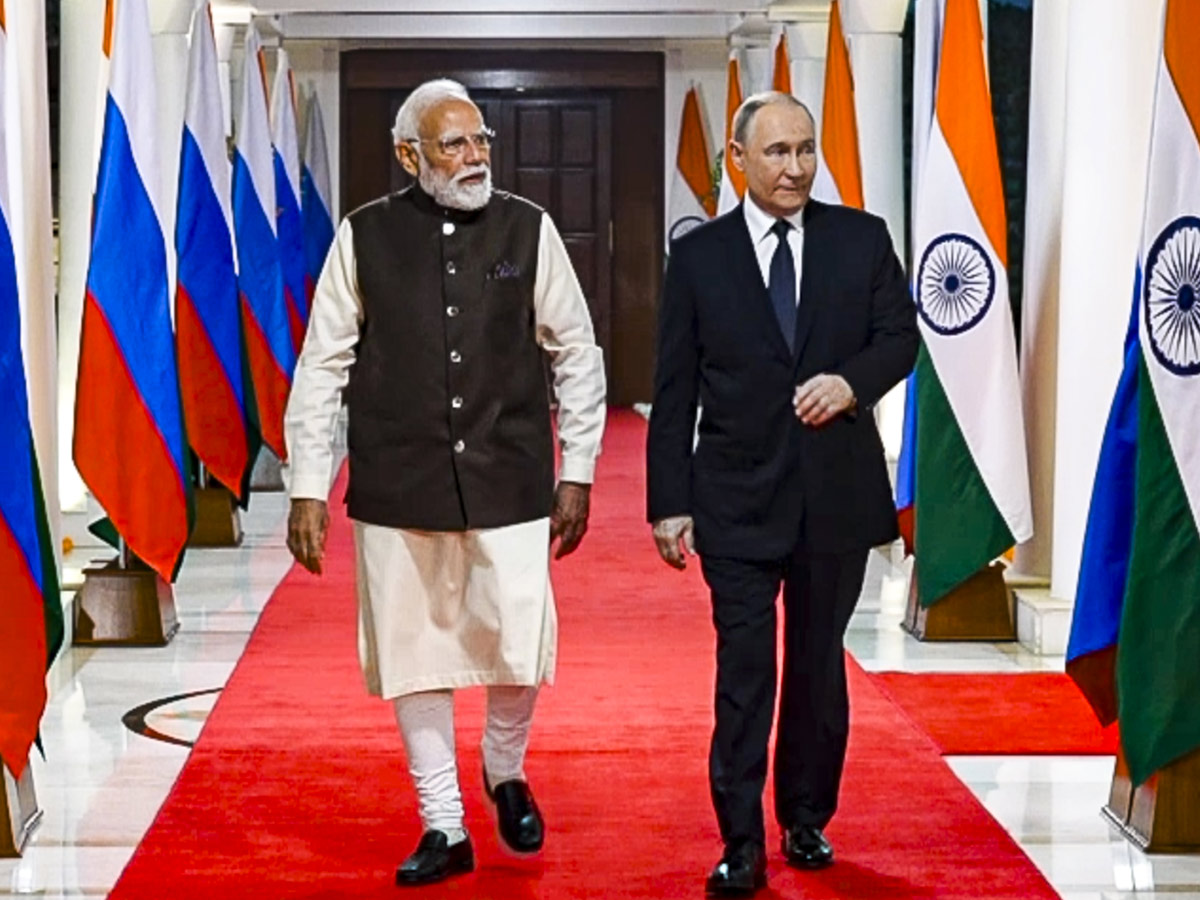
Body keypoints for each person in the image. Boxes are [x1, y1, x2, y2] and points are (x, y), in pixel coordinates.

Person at [284, 78, 606, 887]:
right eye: (454, 144)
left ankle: (505, 771)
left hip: (513, 474)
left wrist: (581, 470)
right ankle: (443, 822)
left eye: (481, 141)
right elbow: (322, 364)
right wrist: (308, 486)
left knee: (515, 643)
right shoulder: (363, 237)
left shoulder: (528, 229)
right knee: (414, 654)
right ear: (408, 155)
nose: (474, 157)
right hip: (400, 480)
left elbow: (577, 350)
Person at [646, 91, 917, 896]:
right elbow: (675, 385)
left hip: (835, 497)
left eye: (805, 150)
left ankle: (805, 818)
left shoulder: (860, 240)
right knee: (745, 672)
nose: (795, 167)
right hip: (734, 499)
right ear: (738, 161)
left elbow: (899, 336)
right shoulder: (700, 258)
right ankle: (740, 840)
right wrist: (669, 501)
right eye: (777, 152)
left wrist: (851, 383)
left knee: (815, 670)